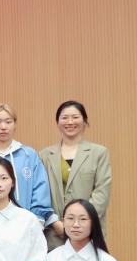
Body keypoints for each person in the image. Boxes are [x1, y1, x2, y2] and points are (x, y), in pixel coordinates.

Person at [0, 104, 58, 233]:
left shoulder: (29, 155)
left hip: (26, 226)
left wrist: (36, 222)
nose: (3, 127)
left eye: (8, 122)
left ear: (15, 124)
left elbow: (40, 189)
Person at [38, 101, 112, 249]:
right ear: (58, 122)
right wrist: (55, 223)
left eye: (75, 117)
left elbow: (101, 193)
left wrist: (81, 222)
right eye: (64, 118)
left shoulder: (99, 153)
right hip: (55, 232)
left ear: (84, 121)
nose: (70, 122)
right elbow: (40, 194)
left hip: (89, 231)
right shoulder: (44, 155)